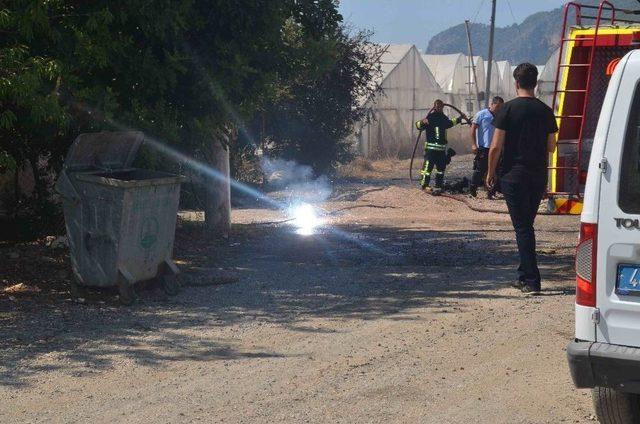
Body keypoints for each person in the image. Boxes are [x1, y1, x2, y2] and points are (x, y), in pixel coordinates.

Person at [486, 63, 558, 295]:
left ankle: (532, 280)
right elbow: (551, 146)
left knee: (523, 228)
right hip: (537, 176)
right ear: (535, 83)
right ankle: (523, 274)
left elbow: (496, 146)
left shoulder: (507, 109)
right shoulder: (546, 111)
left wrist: (490, 172)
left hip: (513, 176)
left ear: (516, 83)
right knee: (526, 225)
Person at [415, 99, 466, 194]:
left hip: (441, 150)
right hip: (431, 150)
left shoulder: (443, 118)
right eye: (437, 106)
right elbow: (418, 125)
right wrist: (422, 122)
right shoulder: (430, 117)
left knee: (441, 169)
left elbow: (450, 123)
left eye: (440, 106)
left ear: (443, 107)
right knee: (427, 168)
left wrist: (460, 118)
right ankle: (424, 185)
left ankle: (438, 184)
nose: (439, 108)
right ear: (434, 107)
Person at [469, 96, 504, 198]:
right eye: (497, 107)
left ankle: (491, 192)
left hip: (497, 148)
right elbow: (472, 130)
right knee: (480, 169)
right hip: (484, 147)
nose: (498, 109)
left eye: (501, 107)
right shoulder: (481, 114)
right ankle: (472, 189)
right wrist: (474, 144)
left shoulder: (501, 116)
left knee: (495, 170)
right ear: (491, 104)